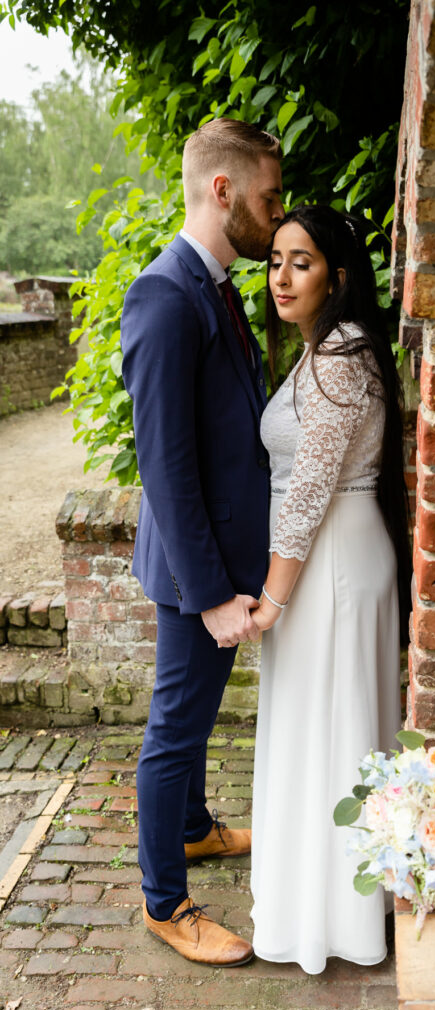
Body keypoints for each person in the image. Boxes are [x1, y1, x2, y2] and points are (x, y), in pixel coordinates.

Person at [120, 118, 284, 965]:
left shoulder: (214, 283)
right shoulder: (164, 293)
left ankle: (192, 829)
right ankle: (164, 901)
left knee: (190, 717)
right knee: (176, 730)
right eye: (268, 196)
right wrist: (213, 590)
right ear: (223, 192)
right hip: (197, 571)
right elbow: (166, 465)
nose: (276, 212)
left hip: (216, 560)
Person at [249, 204, 412, 974]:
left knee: (332, 734)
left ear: (339, 278)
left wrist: (270, 602)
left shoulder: (342, 354)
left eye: (301, 262)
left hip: (332, 561)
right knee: (323, 731)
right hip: (326, 557)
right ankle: (323, 902)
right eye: (275, 260)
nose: (282, 277)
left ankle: (336, 920)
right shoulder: (324, 349)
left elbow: (309, 488)